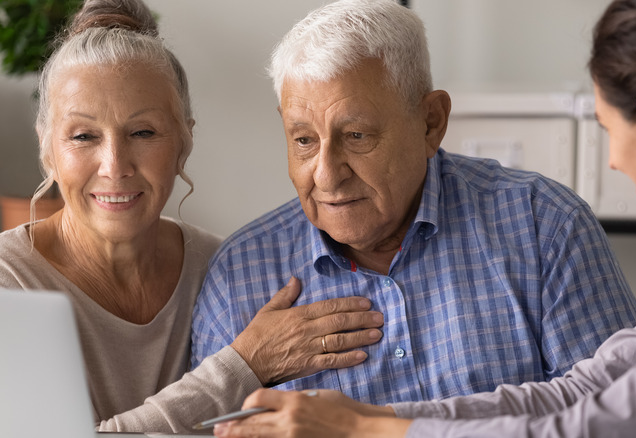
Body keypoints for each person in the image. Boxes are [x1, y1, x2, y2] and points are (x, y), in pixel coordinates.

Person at [211, 0, 636, 436]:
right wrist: (371, 418)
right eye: (303, 140)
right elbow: (580, 391)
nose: (611, 159)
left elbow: (600, 426)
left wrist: (363, 431)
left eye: (357, 136)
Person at [192, 0, 636, 406]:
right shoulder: (239, 278)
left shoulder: (545, 227)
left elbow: (622, 418)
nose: (326, 175)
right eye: (304, 140)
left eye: (357, 136)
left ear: (431, 123)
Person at [0, 0, 384, 433]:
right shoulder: (9, 282)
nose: (115, 165)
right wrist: (245, 364)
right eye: (83, 135)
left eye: (142, 132)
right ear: (47, 147)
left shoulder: (223, 269)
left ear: (184, 141)